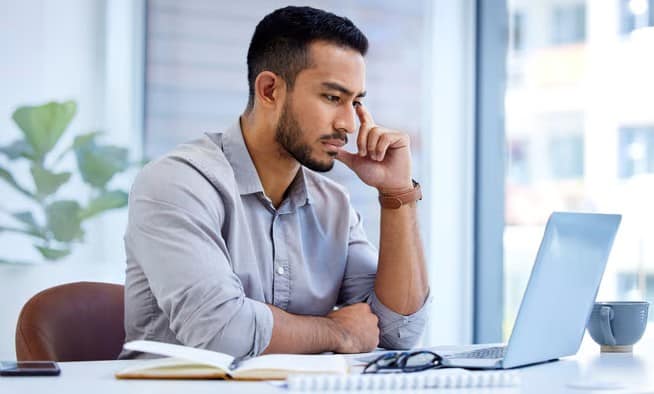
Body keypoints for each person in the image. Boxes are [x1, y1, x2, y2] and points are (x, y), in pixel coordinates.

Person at [120, 6, 429, 360]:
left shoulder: (334, 204)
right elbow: (219, 331)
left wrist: (397, 194)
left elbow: (397, 332)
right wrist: (338, 330)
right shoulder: (177, 185)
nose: (348, 123)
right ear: (269, 90)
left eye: (355, 102)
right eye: (332, 98)